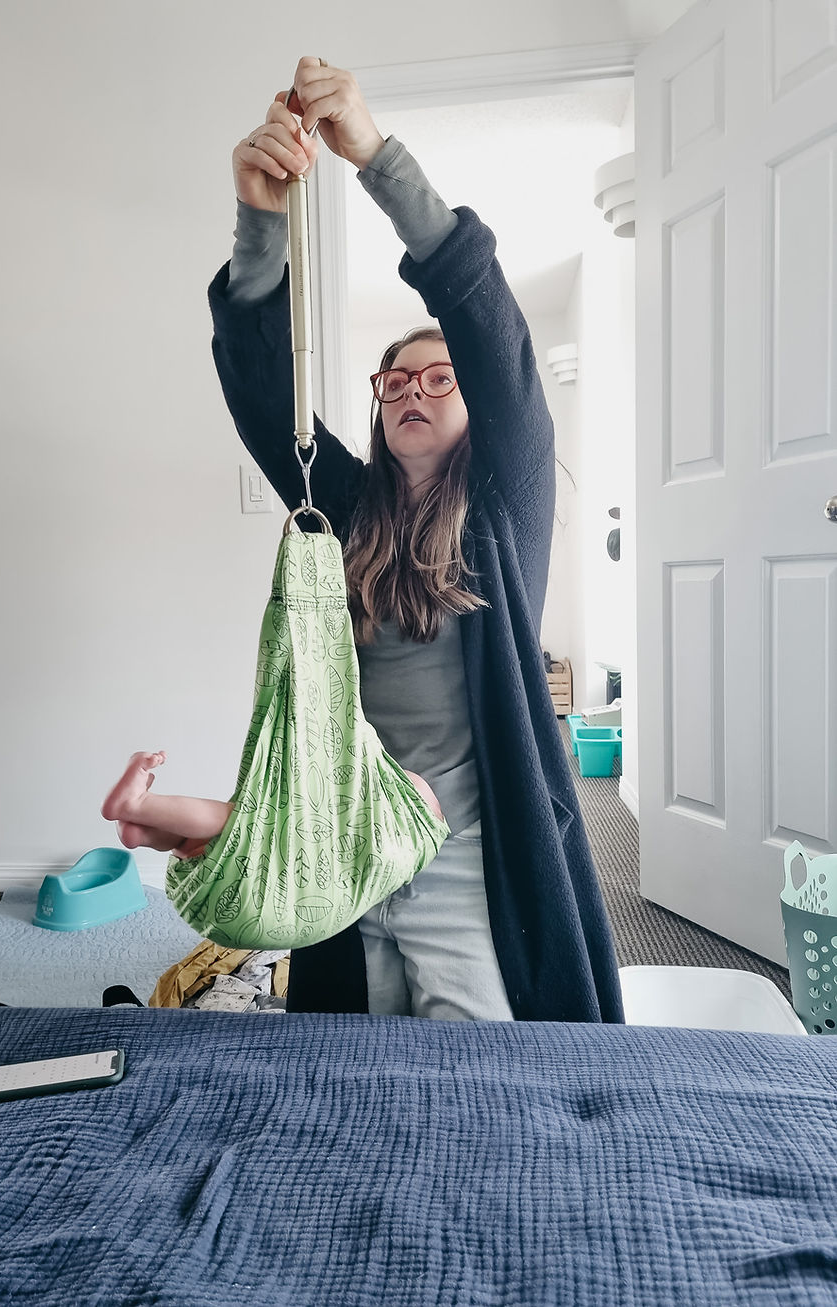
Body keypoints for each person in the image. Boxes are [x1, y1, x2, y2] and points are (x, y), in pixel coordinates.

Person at [208, 56, 623, 1023]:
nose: (413, 390)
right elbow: (267, 396)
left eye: (440, 378)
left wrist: (374, 156)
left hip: (464, 849)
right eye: (396, 380)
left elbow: (492, 333)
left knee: (475, 1067)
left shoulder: (505, 507)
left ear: (477, 406)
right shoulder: (348, 506)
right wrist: (259, 218)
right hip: (351, 839)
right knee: (350, 1053)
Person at [101, 750, 444, 860]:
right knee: (210, 831)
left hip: (254, 853)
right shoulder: (354, 832)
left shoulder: (362, 823)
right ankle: (141, 821)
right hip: (254, 859)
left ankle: (143, 819)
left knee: (220, 823)